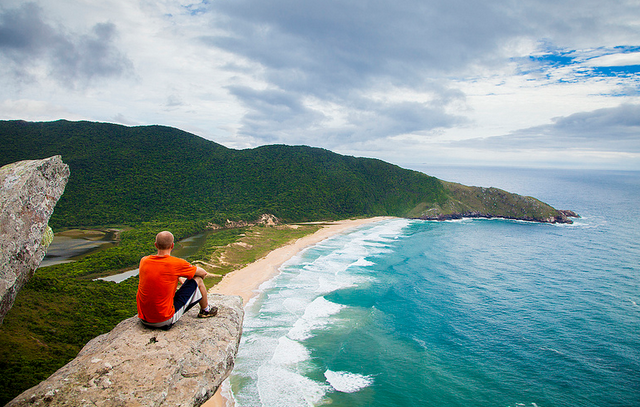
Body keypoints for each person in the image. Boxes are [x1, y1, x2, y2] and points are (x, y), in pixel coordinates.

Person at [137, 230, 217, 329]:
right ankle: (205, 310)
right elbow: (203, 273)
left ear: (156, 245)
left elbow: (161, 271)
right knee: (198, 279)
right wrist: (187, 276)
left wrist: (178, 277)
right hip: (163, 320)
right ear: (172, 246)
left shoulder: (144, 261)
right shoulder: (176, 264)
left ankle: (205, 309)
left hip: (144, 319)